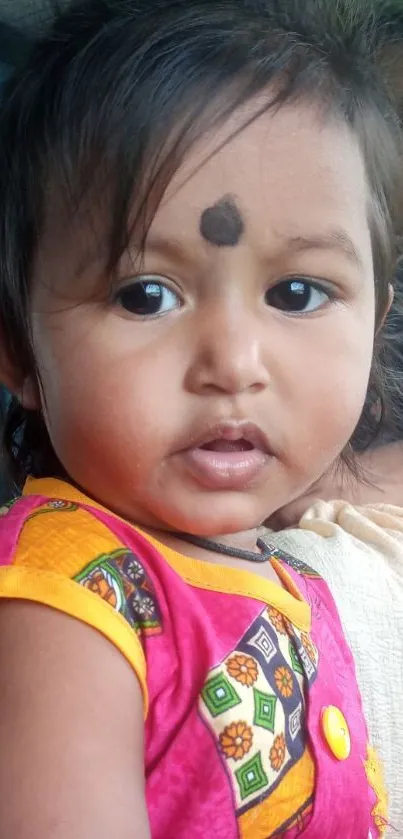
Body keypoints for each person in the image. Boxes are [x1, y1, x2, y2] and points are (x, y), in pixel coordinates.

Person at [0, 1, 401, 836]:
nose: (234, 363)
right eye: (146, 295)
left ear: (375, 319)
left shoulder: (284, 569)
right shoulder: (64, 604)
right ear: (17, 351)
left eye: (297, 293)